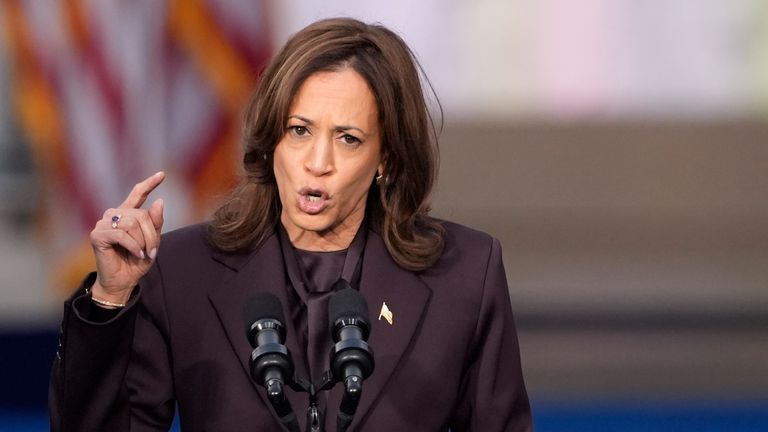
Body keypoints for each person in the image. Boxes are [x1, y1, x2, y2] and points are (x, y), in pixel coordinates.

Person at [49, 17, 532, 432]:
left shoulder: (464, 275)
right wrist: (109, 299)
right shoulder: (182, 272)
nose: (316, 162)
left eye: (347, 138)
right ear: (272, 139)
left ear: (386, 157)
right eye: (299, 131)